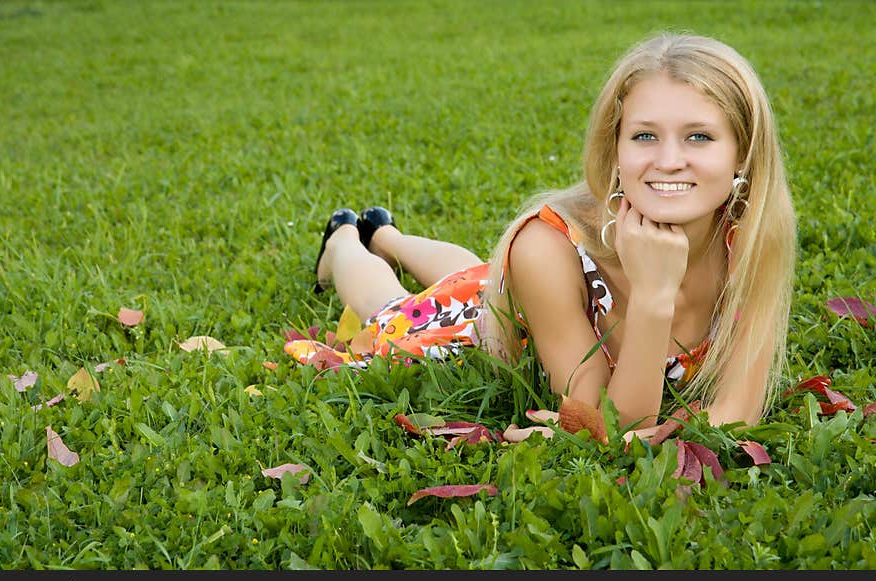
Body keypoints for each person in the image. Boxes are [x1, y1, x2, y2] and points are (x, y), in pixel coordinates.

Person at [286, 32, 797, 442]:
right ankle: (348, 241)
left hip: (501, 291)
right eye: (644, 135)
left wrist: (639, 435)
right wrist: (654, 296)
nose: (668, 160)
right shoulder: (546, 248)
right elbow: (613, 424)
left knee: (475, 276)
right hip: (468, 333)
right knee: (395, 308)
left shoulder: (748, 240)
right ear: (614, 148)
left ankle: (388, 234)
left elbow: (737, 416)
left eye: (699, 136)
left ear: (743, 153)